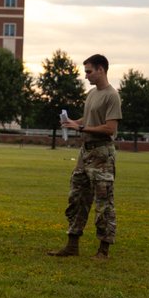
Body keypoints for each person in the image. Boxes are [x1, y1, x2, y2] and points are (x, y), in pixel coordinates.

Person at [49, 54, 122, 260]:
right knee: (77, 198)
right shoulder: (91, 94)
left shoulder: (112, 96)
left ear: (101, 69)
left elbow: (110, 128)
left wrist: (81, 128)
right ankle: (72, 245)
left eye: (89, 71)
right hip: (85, 152)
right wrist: (74, 122)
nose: (86, 76)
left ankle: (103, 250)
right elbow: (89, 119)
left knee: (103, 202)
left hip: (102, 154)